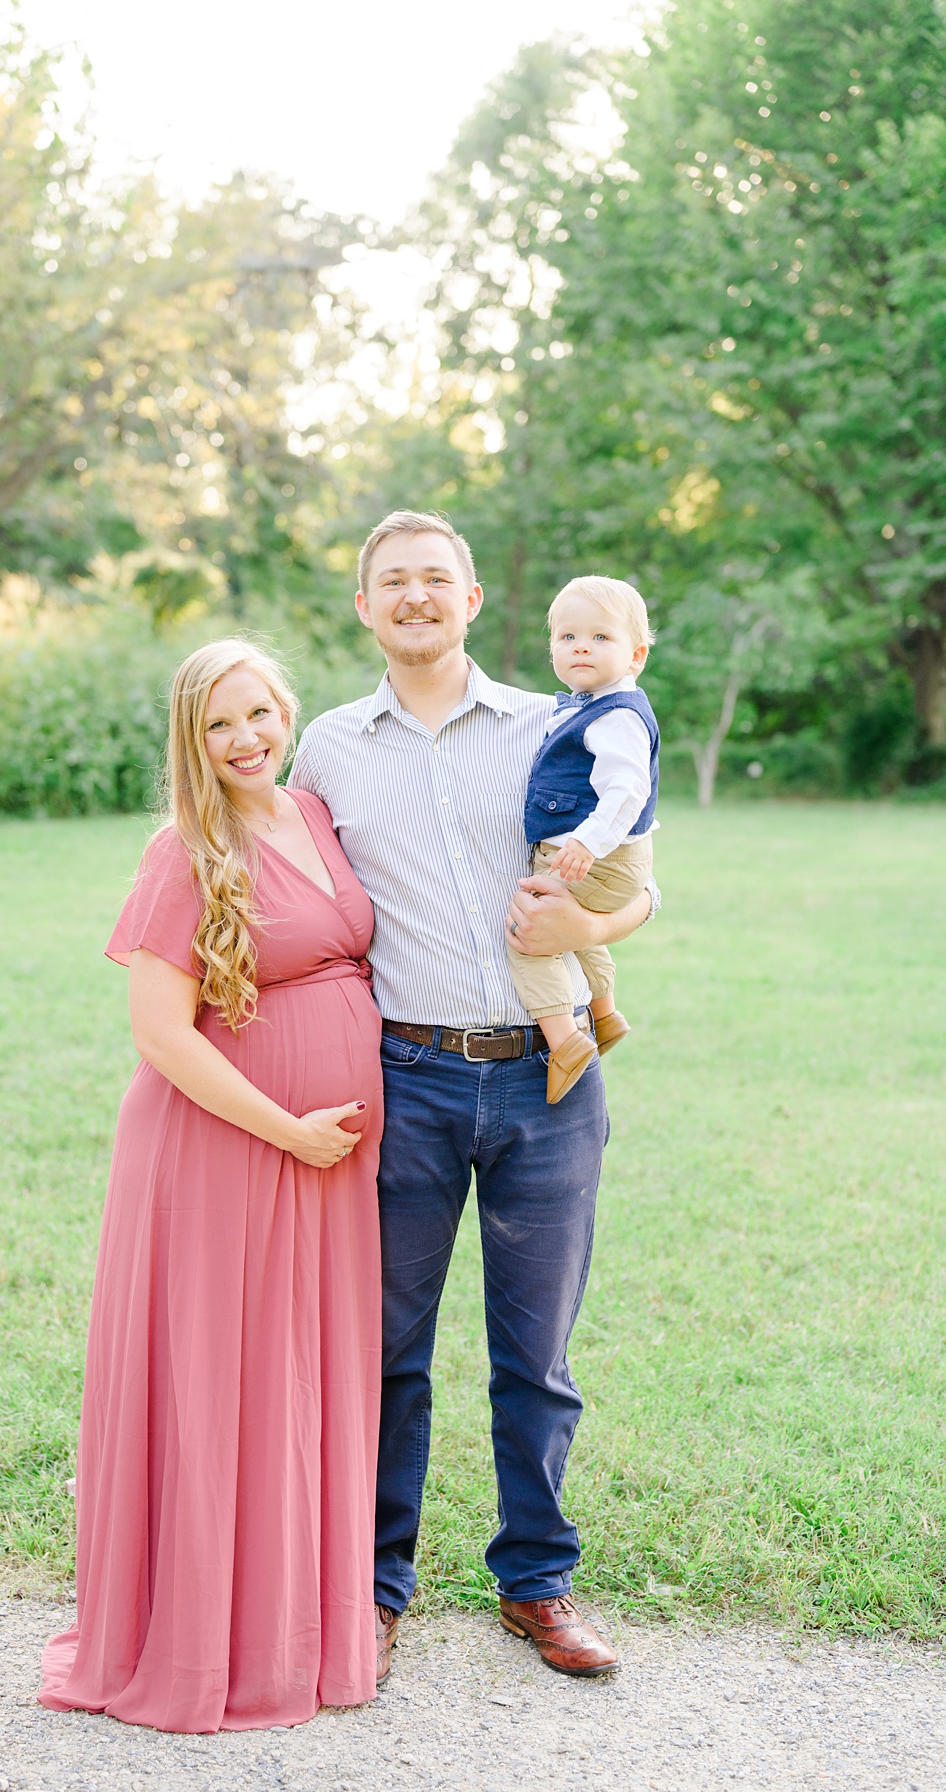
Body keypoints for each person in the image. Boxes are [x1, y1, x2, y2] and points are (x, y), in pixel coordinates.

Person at [287, 511, 653, 1681]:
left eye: (433, 579)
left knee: (535, 1354)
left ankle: (537, 1583)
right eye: (391, 581)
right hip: (405, 1078)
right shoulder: (330, 750)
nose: (414, 596)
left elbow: (646, 889)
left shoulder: (560, 723)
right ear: (363, 606)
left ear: (474, 598)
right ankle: (375, 1588)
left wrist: (587, 923)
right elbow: (276, 892)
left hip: (549, 1082)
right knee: (389, 1350)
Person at [39, 638, 384, 1733]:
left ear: (289, 713)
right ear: (192, 742)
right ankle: (196, 1647)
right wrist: (288, 1129)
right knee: (222, 1384)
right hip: (225, 1151)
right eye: (219, 725)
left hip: (325, 1159)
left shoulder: (316, 816)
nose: (245, 740)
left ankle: (297, 1630)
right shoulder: (182, 849)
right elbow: (157, 1033)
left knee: (298, 1382)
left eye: (258, 715)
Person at [509, 575, 660, 1103]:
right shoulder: (586, 706)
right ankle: (605, 1011)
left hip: (602, 856)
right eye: (567, 637)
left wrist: (587, 842)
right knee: (577, 933)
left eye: (600, 638)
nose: (581, 647)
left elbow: (627, 789)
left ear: (635, 654)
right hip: (610, 857)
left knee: (531, 931)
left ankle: (567, 1041)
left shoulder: (616, 714)